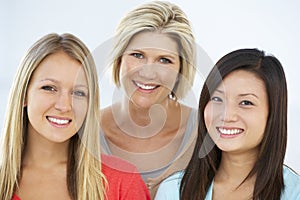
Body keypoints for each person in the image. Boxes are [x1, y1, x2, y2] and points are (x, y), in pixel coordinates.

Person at [0, 33, 150, 200]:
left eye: (78, 93)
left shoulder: (122, 182)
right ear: (23, 95)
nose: (64, 106)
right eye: (49, 88)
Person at [155, 48, 300, 200]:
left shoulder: (294, 193)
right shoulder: (174, 191)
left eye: (246, 102)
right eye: (217, 99)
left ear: (273, 114)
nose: (226, 115)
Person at [99, 1, 198, 198]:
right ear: (118, 59)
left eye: (164, 60)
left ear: (181, 69)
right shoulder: (85, 131)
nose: (148, 72)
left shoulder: (205, 131)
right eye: (137, 55)